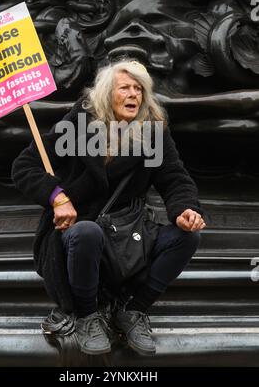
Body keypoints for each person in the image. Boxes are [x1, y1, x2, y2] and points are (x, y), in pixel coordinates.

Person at [11, 59, 206, 356]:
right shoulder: (78, 125)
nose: (134, 95)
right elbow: (24, 166)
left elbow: (175, 178)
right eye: (125, 88)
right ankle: (88, 316)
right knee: (87, 233)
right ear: (105, 94)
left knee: (187, 237)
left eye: (139, 89)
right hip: (76, 233)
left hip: (129, 233)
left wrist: (185, 209)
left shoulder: (153, 132)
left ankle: (134, 310)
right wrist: (57, 198)